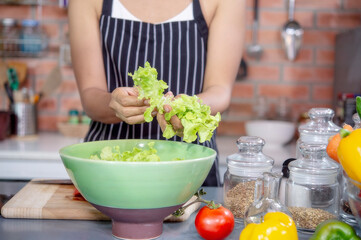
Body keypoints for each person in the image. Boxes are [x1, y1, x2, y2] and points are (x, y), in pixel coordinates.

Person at [68, 0, 246, 186]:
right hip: (108, 170)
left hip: (189, 173)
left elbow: (220, 91)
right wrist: (114, 104)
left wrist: (184, 109)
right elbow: (90, 95)